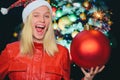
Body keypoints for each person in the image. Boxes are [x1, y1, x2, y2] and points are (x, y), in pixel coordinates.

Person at [0, 0, 105, 80]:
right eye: (36, 15)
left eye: (46, 16)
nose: (42, 20)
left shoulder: (62, 53)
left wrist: (86, 79)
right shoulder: (11, 51)